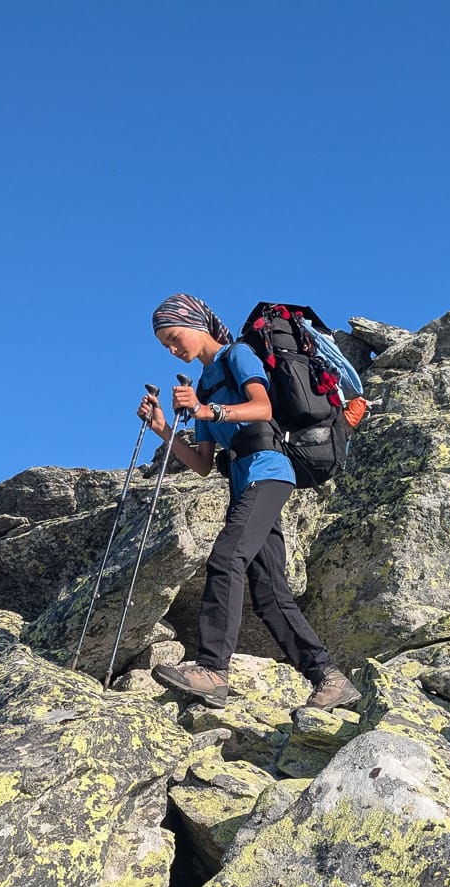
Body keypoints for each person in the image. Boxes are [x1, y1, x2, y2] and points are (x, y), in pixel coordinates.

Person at [138, 293, 362, 712]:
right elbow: (203, 465)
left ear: (196, 324)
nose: (172, 349)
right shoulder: (203, 384)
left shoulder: (237, 355)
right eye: (164, 345)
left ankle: (212, 671)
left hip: (270, 471)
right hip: (244, 481)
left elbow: (262, 408)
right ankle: (330, 679)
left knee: (225, 559)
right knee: (268, 590)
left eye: (173, 337)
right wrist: (165, 430)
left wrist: (207, 412)